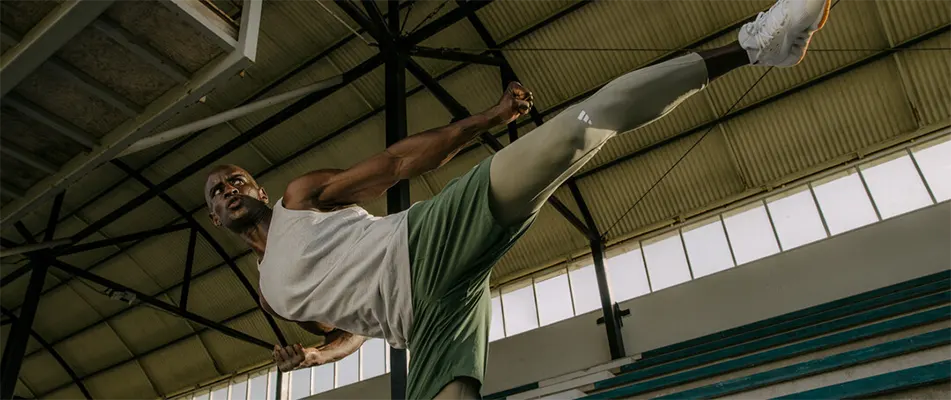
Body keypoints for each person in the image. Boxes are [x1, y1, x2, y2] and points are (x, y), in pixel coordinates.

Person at [204, 0, 832, 398]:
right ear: (213, 217)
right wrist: (318, 353)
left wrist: (486, 119)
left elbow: (395, 163)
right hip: (425, 324)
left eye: (235, 179)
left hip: (425, 240)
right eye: (217, 191)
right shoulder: (272, 292)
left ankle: (758, 45)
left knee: (578, 126)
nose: (229, 189)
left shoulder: (298, 199)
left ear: (257, 188)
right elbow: (352, 329)